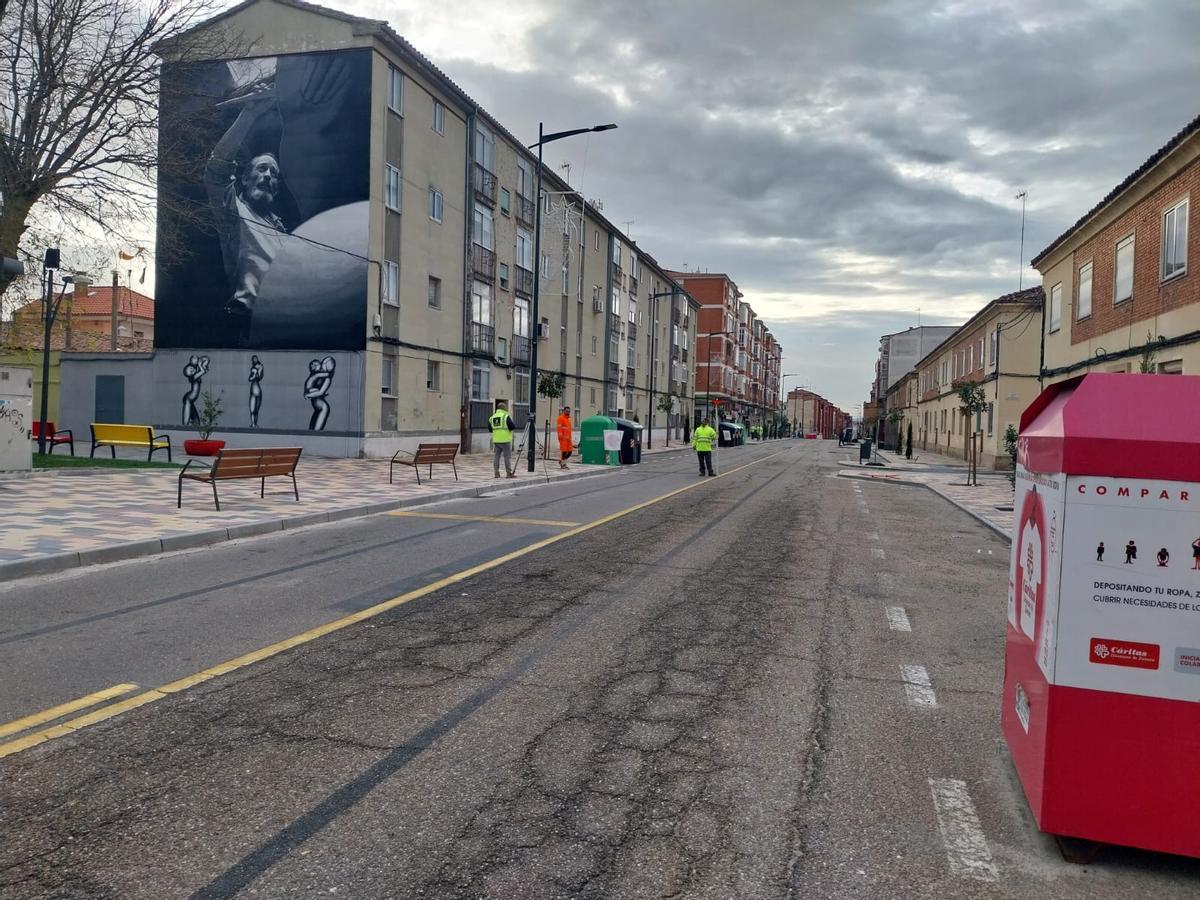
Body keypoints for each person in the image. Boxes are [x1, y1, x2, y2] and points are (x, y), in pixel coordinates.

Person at [490, 400, 517, 479]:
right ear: (504, 408)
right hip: (505, 440)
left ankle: (496, 473)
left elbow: (490, 428)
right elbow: (512, 426)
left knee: (496, 456)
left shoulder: (492, 417)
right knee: (507, 457)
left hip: (496, 440)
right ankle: (508, 473)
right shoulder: (506, 416)